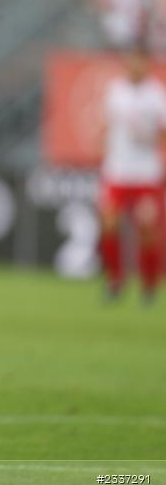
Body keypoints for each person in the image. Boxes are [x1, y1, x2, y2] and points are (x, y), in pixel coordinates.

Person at [98, 45, 166, 305]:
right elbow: (107, 127)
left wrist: (150, 136)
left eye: (140, 61)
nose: (135, 66)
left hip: (146, 173)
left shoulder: (157, 95)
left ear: (146, 64)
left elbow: (163, 134)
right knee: (109, 223)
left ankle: (149, 286)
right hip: (117, 170)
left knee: (147, 228)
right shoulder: (116, 91)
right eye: (132, 60)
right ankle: (115, 281)